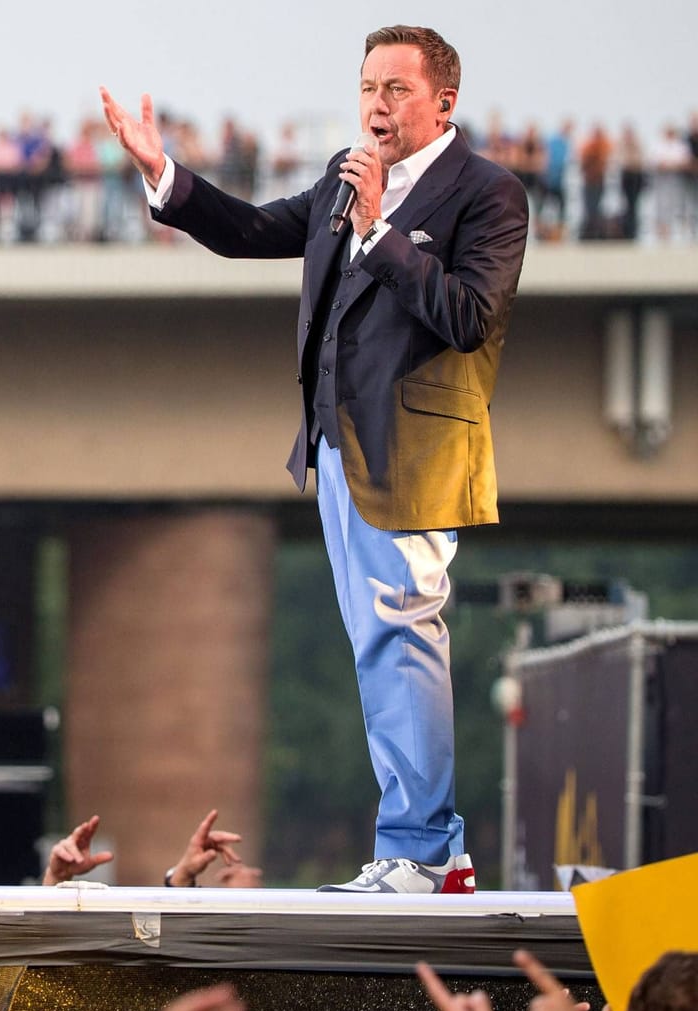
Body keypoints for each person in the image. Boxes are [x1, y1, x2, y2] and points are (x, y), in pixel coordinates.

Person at [102, 24, 528, 894]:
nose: (376, 103)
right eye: (368, 86)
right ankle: (417, 848)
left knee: (404, 636)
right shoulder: (346, 178)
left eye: (396, 89)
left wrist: (378, 231)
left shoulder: (487, 194)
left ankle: (426, 853)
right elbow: (253, 230)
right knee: (378, 644)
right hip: (338, 447)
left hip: (414, 452)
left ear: (444, 102)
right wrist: (163, 174)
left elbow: (469, 316)